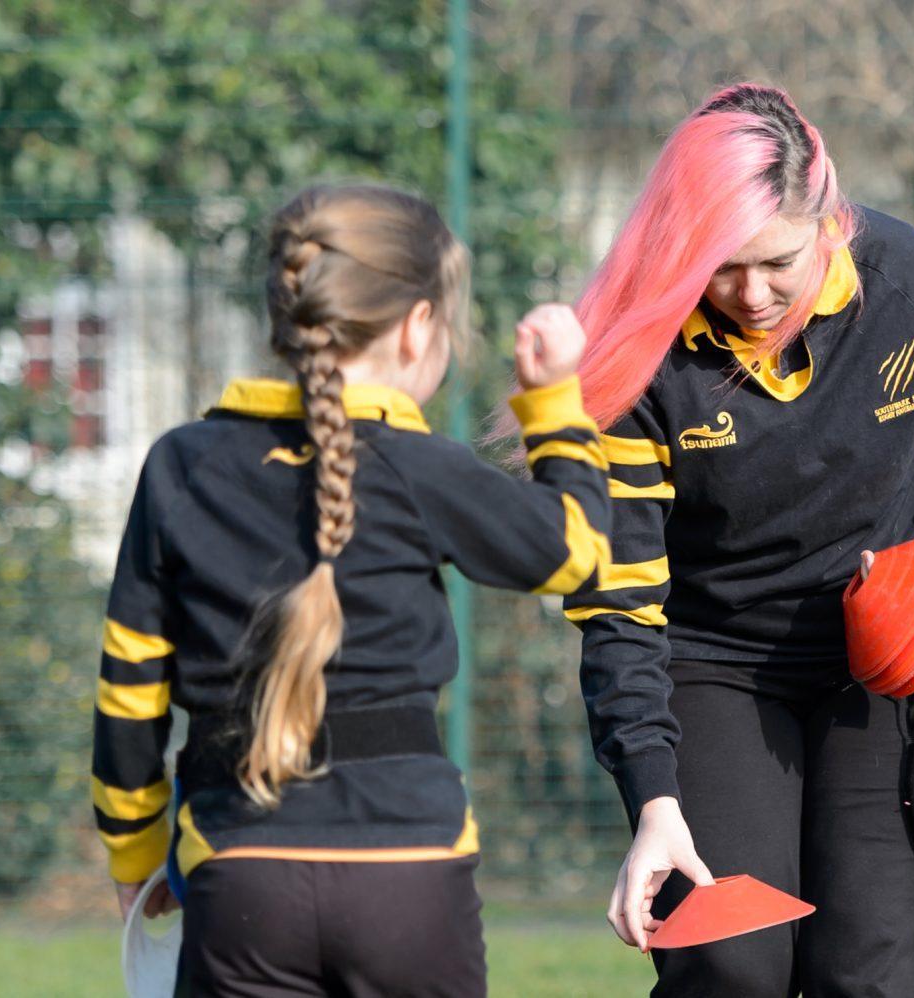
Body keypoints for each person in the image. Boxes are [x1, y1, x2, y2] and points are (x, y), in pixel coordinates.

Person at [565, 83, 914, 997]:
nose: (751, 293)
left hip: (906, 654)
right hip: (718, 658)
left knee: (871, 972)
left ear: (827, 219)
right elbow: (618, 601)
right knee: (729, 964)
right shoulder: (638, 358)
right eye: (721, 268)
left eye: (776, 261)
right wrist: (653, 801)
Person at [92, 184, 610, 997]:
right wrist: (551, 400)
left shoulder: (182, 464)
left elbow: (129, 693)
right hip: (409, 876)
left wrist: (132, 856)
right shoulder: (423, 467)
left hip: (240, 871)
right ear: (417, 329)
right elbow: (578, 553)